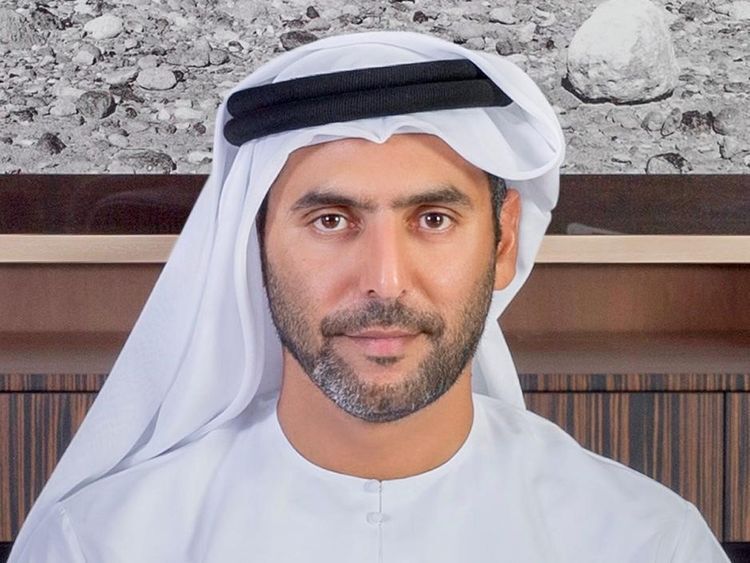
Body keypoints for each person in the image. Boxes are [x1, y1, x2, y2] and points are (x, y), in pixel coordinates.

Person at [9, 31, 728, 562]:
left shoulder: (645, 543)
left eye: (433, 219)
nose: (384, 279)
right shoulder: (101, 544)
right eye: (331, 220)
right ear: (253, 244)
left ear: (503, 241)